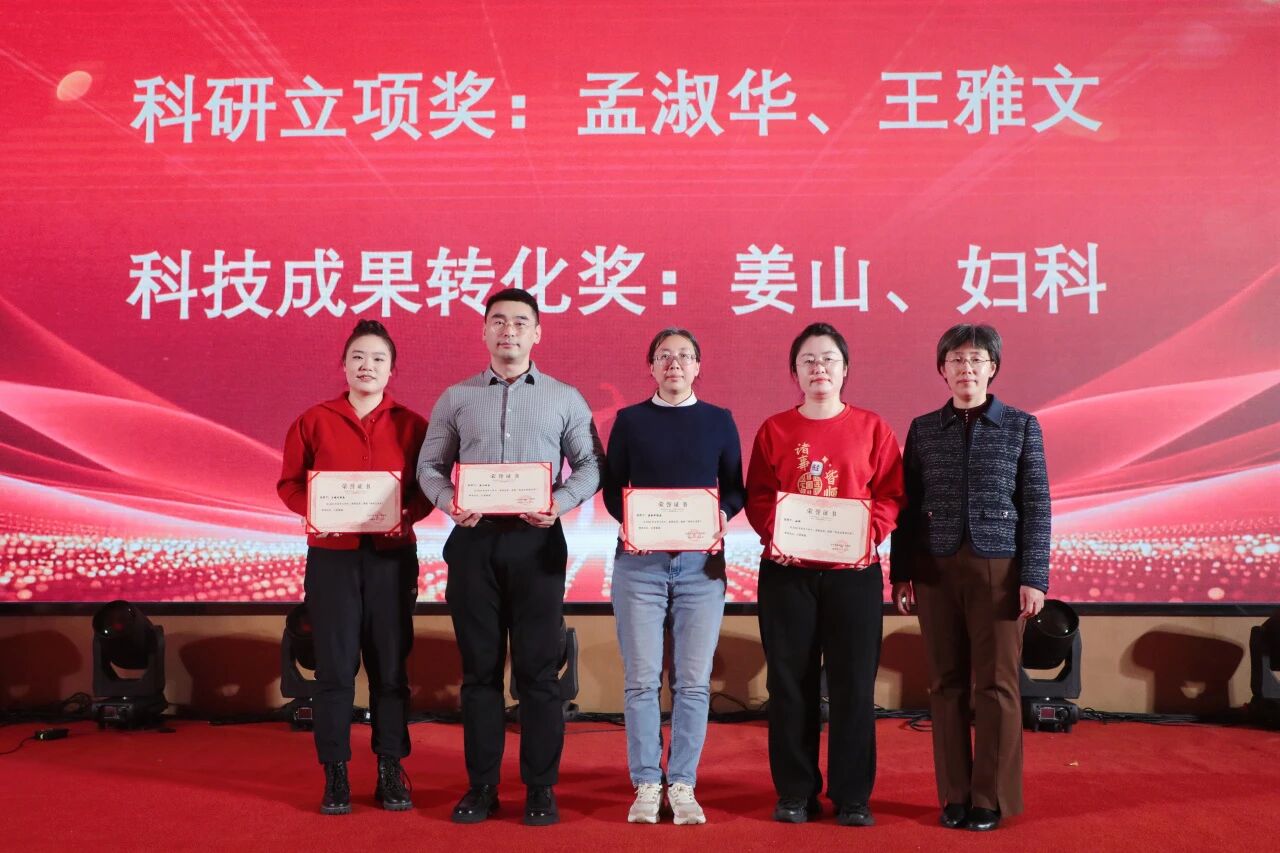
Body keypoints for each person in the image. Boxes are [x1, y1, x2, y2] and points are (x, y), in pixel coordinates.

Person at [417, 287, 603, 827]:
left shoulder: (565, 398)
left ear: (537, 333)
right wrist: (448, 502)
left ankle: (540, 787)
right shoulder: (456, 397)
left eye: (520, 322)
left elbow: (591, 465)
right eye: (498, 321)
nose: (509, 331)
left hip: (536, 543)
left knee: (539, 673)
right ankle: (482, 786)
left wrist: (559, 503)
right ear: (484, 331)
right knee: (479, 672)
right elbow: (429, 466)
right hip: (474, 543)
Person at [890, 323, 1051, 832]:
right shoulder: (923, 429)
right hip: (934, 569)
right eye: (956, 359)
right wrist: (901, 573)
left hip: (999, 570)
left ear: (992, 368)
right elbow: (906, 507)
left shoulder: (1021, 426)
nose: (966, 368)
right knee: (945, 684)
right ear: (942, 369)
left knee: (998, 685)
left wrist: (1034, 576)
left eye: (976, 359)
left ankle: (991, 798)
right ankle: (955, 795)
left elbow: (1037, 505)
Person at [744, 322, 905, 827]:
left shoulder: (873, 428)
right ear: (794, 372)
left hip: (852, 575)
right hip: (787, 574)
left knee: (853, 685)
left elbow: (891, 495)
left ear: (845, 369)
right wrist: (778, 535)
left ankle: (853, 795)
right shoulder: (774, 430)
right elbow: (758, 496)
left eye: (829, 359)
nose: (819, 368)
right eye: (809, 360)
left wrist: (867, 535)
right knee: (790, 685)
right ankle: (796, 792)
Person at [276, 319, 433, 815]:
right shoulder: (313, 420)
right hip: (333, 559)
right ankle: (336, 772)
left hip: (391, 558)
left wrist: (404, 514)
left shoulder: (413, 425)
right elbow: (289, 484)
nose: (368, 366)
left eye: (378, 359)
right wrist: (317, 511)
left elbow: (427, 489)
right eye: (358, 357)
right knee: (334, 669)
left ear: (392, 369)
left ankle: (390, 768)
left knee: (390, 668)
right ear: (343, 365)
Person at [602, 328, 746, 825]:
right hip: (639, 565)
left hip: (700, 567)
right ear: (651, 366)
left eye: (685, 356)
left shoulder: (719, 420)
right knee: (642, 682)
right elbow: (612, 489)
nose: (675, 364)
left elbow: (734, 489)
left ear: (698, 366)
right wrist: (635, 520)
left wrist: (721, 514)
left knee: (693, 683)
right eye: (664, 356)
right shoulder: (630, 421)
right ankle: (646, 782)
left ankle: (682, 783)